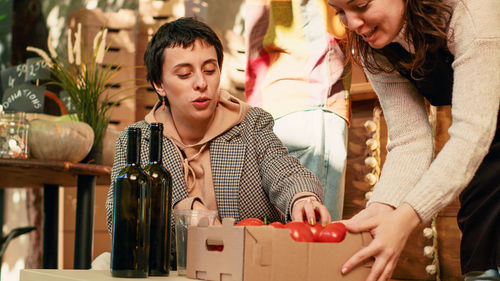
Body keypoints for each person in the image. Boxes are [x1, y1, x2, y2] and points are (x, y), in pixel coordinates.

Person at [105, 17, 331, 237]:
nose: (201, 83)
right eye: (184, 74)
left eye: (210, 70)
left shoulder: (250, 124)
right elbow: (119, 218)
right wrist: (185, 213)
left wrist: (302, 197)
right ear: (159, 84)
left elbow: (284, 170)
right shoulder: (139, 140)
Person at [326, 0, 500, 280]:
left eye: (361, 5)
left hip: (481, 136)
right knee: (482, 261)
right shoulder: (373, 43)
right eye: (340, 12)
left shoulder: (471, 10)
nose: (353, 24)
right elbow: (410, 139)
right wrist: (382, 207)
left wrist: (404, 220)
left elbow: (472, 133)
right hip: (487, 149)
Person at [245, 0, 351, 221]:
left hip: (266, 100)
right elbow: (346, 19)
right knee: (317, 242)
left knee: (282, 242)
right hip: (312, 93)